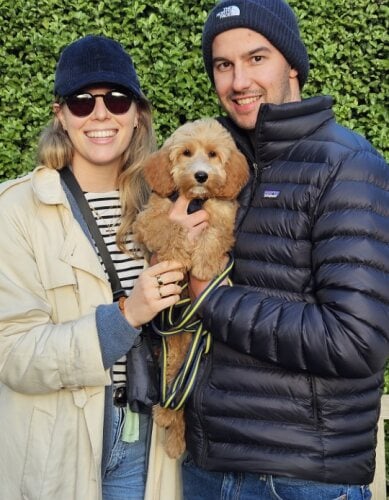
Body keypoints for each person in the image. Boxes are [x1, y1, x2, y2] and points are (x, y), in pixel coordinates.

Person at [168, 1, 389, 499]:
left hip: (295, 479)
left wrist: (210, 297)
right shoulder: (225, 167)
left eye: (256, 58)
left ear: (292, 64)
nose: (238, 80)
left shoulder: (348, 166)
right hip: (208, 467)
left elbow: (356, 340)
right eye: (223, 65)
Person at [0, 34, 184, 500]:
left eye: (117, 100)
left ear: (137, 114)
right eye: (82, 103)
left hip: (148, 434)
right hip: (59, 442)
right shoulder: (17, 209)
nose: (101, 114)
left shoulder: (165, 206)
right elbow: (13, 354)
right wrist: (124, 317)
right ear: (60, 115)